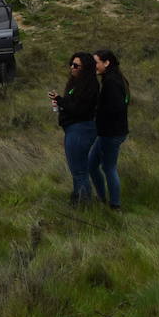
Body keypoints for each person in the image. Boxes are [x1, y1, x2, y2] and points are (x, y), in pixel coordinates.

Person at [48, 51, 99, 204]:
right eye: (71, 64)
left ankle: (83, 202)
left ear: (85, 67)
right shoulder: (76, 83)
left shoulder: (90, 85)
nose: (72, 67)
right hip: (73, 129)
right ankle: (78, 198)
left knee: (79, 170)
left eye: (76, 65)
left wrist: (60, 101)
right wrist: (60, 102)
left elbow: (79, 109)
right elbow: (72, 105)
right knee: (76, 169)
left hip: (81, 129)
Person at [88, 49, 130, 210]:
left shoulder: (112, 82)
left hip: (111, 133)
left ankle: (115, 205)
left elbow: (116, 107)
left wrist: (97, 111)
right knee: (92, 164)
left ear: (106, 63)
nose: (94, 66)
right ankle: (102, 198)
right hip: (109, 132)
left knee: (108, 168)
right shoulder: (114, 79)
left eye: (96, 62)